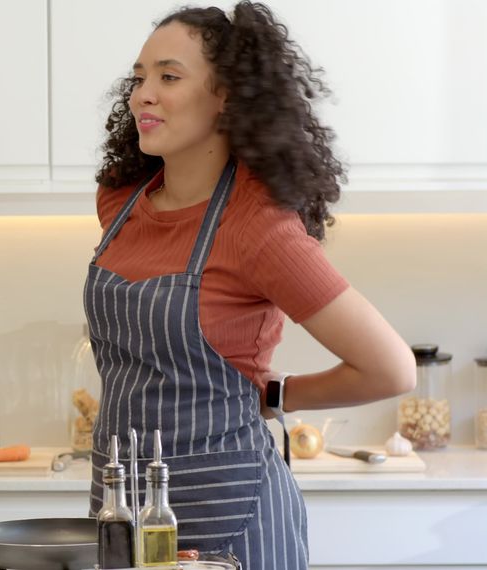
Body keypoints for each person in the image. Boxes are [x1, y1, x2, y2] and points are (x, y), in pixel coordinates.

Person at [84, 3, 415, 568]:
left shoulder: (259, 229)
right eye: (139, 78)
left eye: (169, 76)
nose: (142, 94)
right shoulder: (121, 202)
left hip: (230, 516)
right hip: (123, 509)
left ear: (228, 97)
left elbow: (391, 368)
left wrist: (277, 395)